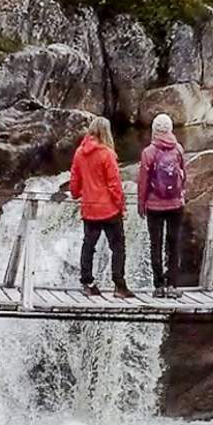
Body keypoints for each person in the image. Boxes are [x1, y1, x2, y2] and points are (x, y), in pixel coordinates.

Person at [68, 116, 134, 298]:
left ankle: (87, 282)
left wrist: (76, 194)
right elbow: (114, 184)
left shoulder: (79, 153)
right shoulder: (107, 154)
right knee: (118, 247)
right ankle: (119, 286)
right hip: (109, 209)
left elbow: (74, 181)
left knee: (88, 245)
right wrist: (122, 206)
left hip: (89, 207)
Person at [136, 112, 188, 297]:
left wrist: (141, 204)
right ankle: (173, 285)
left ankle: (158, 286)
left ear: (154, 130)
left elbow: (143, 182)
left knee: (155, 245)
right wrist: (181, 196)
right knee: (173, 245)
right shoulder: (179, 149)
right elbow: (183, 175)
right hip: (175, 205)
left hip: (154, 206)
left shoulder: (148, 153)